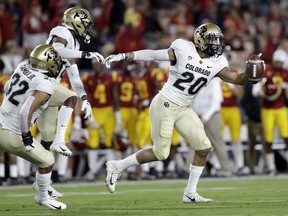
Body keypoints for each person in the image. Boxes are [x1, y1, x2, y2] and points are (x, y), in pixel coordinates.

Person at [104, 22, 258, 203]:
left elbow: (238, 80)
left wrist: (250, 73)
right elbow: (153, 54)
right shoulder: (183, 48)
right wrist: (125, 55)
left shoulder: (218, 62)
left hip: (185, 108)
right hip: (166, 104)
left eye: (218, 40)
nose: (216, 44)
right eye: (212, 40)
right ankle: (117, 166)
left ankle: (189, 192)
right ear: (200, 40)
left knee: (203, 148)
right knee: (161, 153)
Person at [0, 44, 66, 210]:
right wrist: (26, 135)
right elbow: (24, 111)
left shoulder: (22, 66)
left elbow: (7, 86)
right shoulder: (45, 83)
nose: (57, 64)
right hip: (13, 133)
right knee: (47, 161)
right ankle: (42, 197)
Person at [37, 6, 105, 156]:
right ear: (77, 23)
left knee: (47, 139)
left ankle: (41, 176)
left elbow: (75, 78)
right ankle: (60, 141)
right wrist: (86, 54)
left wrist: (85, 99)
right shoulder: (62, 31)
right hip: (40, 81)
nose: (88, 30)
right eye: (86, 26)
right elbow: (57, 49)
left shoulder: (74, 44)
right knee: (70, 98)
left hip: (50, 87)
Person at [252, 48, 288, 176]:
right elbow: (255, 89)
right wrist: (260, 91)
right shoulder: (267, 70)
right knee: (268, 139)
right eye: (278, 62)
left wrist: (284, 86)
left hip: (281, 108)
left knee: (286, 136)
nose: (279, 65)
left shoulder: (285, 72)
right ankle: (271, 167)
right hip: (267, 109)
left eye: (281, 62)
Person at [193, 78, 232, 177]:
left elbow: (216, 103)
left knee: (218, 144)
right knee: (195, 143)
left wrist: (205, 117)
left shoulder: (214, 83)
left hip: (212, 116)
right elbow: (195, 101)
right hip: (199, 116)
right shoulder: (198, 82)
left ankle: (226, 170)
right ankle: (189, 169)